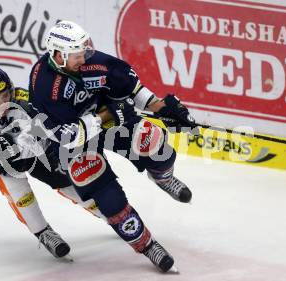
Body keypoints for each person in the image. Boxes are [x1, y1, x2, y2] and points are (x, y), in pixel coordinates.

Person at [28, 20, 197, 272]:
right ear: (58, 55)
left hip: (106, 119)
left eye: (83, 50)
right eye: (75, 54)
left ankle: (162, 177)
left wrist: (162, 108)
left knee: (153, 142)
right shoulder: (45, 86)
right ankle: (146, 244)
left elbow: (131, 87)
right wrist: (107, 115)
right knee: (105, 193)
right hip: (70, 142)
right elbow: (70, 136)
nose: (83, 57)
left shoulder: (92, 61)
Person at [0, 64, 105, 259]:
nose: (3, 104)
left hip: (37, 152)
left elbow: (47, 135)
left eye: (6, 96)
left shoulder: (27, 103)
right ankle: (44, 232)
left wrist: (21, 147)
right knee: (15, 184)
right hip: (2, 163)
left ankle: (109, 214)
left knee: (69, 183)